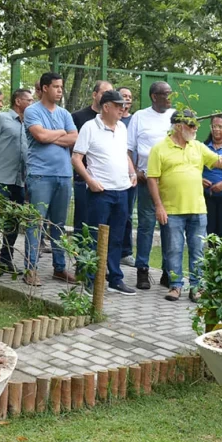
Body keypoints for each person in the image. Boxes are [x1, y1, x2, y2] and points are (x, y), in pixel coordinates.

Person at [147, 110, 222, 302]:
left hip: (198, 209)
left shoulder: (197, 147)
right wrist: (159, 206)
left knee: (198, 249)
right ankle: (175, 286)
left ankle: (196, 288)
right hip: (172, 210)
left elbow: (220, 162)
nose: (196, 128)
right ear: (179, 127)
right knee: (174, 249)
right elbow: (152, 179)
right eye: (191, 125)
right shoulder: (159, 149)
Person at [72, 90, 138, 295]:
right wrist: (90, 181)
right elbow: (76, 158)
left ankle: (115, 278)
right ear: (106, 106)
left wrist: (132, 172)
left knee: (117, 237)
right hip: (100, 192)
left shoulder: (121, 128)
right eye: (119, 106)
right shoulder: (90, 127)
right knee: (93, 236)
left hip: (122, 190)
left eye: (124, 105)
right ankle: (89, 278)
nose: (123, 109)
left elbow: (124, 154)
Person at [23, 72, 78, 286]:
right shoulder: (32, 111)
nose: (59, 90)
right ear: (45, 88)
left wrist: (52, 135)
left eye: (61, 87)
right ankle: (31, 269)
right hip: (40, 175)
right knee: (35, 223)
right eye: (55, 86)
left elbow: (75, 137)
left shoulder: (64, 113)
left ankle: (60, 268)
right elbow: (40, 136)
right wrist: (60, 133)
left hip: (64, 175)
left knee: (59, 224)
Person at [127, 81, 175, 290]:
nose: (169, 98)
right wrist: (135, 172)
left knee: (170, 226)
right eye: (165, 94)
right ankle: (143, 271)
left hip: (170, 181)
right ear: (154, 97)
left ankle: (168, 271)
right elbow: (128, 149)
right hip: (147, 180)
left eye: (170, 94)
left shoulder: (175, 116)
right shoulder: (139, 116)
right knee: (146, 225)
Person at [0, 88, 33, 275]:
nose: (32, 104)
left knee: (14, 220)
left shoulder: (29, 124)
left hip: (19, 180)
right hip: (0, 177)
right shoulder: (1, 118)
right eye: (29, 100)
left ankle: (6, 258)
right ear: (18, 101)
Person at [71, 81, 112, 232]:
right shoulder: (78, 117)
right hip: (84, 177)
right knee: (82, 218)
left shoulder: (114, 121)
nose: (107, 97)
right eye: (104, 93)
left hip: (107, 179)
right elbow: (72, 147)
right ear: (95, 95)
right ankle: (79, 253)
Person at [118, 87, 137, 266]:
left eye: (130, 97)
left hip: (132, 175)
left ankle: (126, 252)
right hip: (113, 176)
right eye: (124, 96)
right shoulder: (111, 121)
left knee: (128, 215)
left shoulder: (134, 120)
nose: (127, 99)